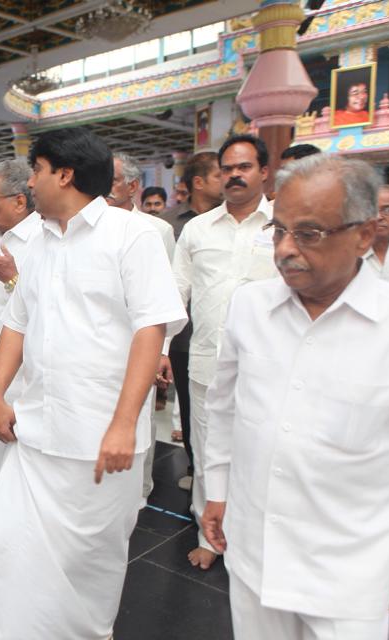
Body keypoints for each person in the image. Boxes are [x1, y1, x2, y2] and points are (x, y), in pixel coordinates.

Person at [0, 127, 187, 639]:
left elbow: (149, 329)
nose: (30, 182)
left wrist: (122, 425)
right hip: (35, 431)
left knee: (88, 571)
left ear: (65, 174)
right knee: (1, 549)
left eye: (38, 170)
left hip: (100, 442)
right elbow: (16, 322)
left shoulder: (131, 235)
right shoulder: (35, 242)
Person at [202, 153, 389, 639]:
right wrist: (218, 491)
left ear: (363, 234)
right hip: (255, 553)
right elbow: (225, 407)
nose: (284, 250)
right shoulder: (250, 307)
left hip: (350, 575)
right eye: (278, 231)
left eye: (309, 234)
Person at [172, 134, 275, 571]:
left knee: (262, 455)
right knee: (208, 451)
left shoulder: (281, 225)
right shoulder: (197, 229)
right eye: (228, 168)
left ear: (263, 172)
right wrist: (159, 349)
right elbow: (175, 293)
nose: (234, 175)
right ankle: (208, 537)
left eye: (244, 167)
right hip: (206, 363)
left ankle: (256, 543)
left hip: (268, 368)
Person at [108, 152, 176, 498]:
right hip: (105, 342)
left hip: (143, 338)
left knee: (142, 414)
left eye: (114, 179)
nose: (105, 185)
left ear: (132, 186)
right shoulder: (93, 225)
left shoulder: (157, 230)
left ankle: (140, 491)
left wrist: (162, 350)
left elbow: (166, 296)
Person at [0, 158, 42, 493]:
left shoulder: (41, 242)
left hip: (20, 393)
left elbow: (43, 314)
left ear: (19, 201)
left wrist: (11, 278)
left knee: (22, 485)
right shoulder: (0, 239)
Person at [158, 151, 223, 474]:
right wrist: (163, 345)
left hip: (227, 334)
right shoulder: (171, 224)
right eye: (219, 174)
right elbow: (169, 286)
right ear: (198, 183)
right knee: (191, 410)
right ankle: (196, 472)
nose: (227, 179)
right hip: (186, 336)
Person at [109, 152, 176, 259]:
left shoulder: (159, 229)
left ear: (132, 186)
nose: (103, 187)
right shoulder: (87, 227)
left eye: (111, 181)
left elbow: (169, 273)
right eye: (100, 181)